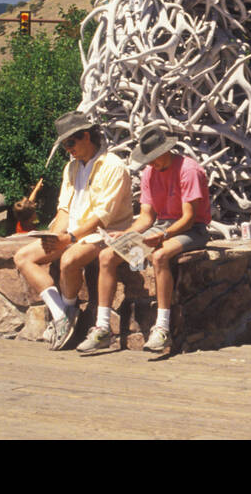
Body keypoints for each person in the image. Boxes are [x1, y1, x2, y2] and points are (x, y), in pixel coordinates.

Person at [77, 126, 212, 354]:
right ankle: (102, 329)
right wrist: (129, 234)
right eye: (148, 160)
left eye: (154, 159)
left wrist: (165, 236)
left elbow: (189, 219)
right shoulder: (149, 173)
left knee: (160, 256)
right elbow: (147, 217)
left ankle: (162, 328)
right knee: (107, 256)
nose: (151, 164)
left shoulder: (189, 170)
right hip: (161, 227)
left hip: (192, 230)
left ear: (167, 150)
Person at [12, 112, 133, 351]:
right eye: (65, 144)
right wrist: (54, 237)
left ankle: (67, 311)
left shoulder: (114, 167)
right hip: (74, 234)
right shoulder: (71, 168)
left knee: (69, 259)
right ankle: (61, 315)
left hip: (104, 234)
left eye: (70, 143)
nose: (68, 149)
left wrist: (69, 239)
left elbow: (102, 217)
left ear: (86, 136)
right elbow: (65, 210)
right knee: (22, 257)